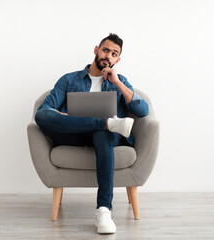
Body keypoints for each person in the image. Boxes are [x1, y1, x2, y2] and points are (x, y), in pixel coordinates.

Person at [34, 33, 149, 234]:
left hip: (104, 139)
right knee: (42, 116)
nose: (109, 56)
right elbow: (45, 110)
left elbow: (142, 110)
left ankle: (104, 210)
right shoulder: (69, 80)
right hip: (74, 134)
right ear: (96, 50)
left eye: (114, 54)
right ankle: (107, 123)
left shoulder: (119, 80)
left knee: (102, 133)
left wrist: (117, 84)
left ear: (118, 60)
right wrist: (64, 115)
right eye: (106, 50)